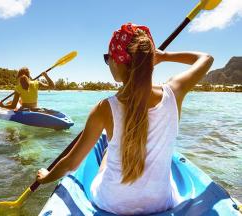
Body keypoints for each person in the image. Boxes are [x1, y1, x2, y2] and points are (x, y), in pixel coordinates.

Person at [36, 23, 214, 215]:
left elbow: (71, 163)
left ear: (118, 62)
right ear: (150, 59)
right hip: (161, 203)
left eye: (108, 57)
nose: (108, 62)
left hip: (110, 203)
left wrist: (45, 177)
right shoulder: (175, 91)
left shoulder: (104, 108)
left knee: (107, 149)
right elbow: (206, 58)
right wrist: (164, 56)